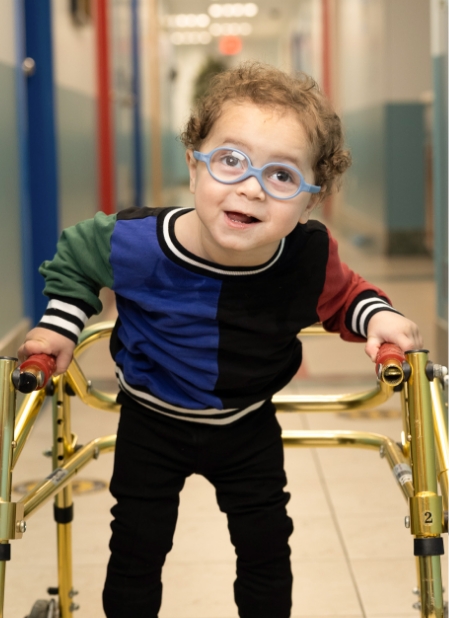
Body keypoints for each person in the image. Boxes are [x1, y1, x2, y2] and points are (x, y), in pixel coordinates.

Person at [18, 62, 422, 618]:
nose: (251, 187)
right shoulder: (135, 242)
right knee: (136, 547)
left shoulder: (305, 258)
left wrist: (378, 319)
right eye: (231, 160)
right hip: (150, 423)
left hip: (247, 426)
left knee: (266, 549)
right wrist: (60, 324)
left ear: (310, 201)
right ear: (193, 167)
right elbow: (76, 259)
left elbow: (345, 296)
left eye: (282, 175)